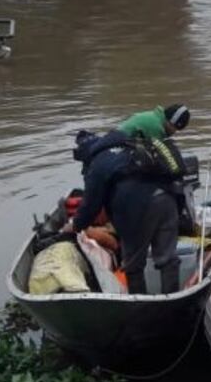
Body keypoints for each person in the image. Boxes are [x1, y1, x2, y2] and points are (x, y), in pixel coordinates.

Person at [64, 106, 192, 295]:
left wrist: (76, 225)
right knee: (167, 258)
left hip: (136, 208)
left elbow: (91, 205)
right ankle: (172, 299)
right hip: (168, 199)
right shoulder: (133, 145)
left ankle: (139, 304)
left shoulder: (97, 164)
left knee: (133, 264)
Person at [118, 104, 191, 141]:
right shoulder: (155, 127)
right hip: (120, 144)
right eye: (174, 127)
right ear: (168, 120)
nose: (174, 132)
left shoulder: (155, 118)